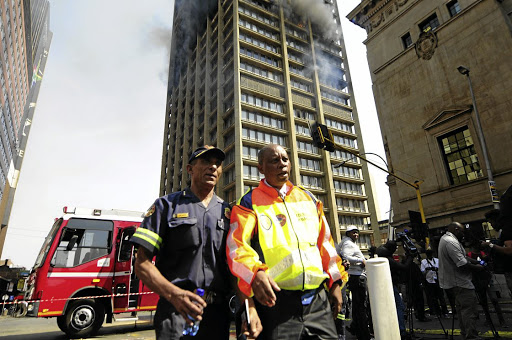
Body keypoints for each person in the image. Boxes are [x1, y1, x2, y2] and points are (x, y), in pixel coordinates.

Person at [227, 144, 346, 340]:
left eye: (285, 159)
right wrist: (255, 273)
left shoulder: (309, 199)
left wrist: (335, 284)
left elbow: (326, 244)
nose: (282, 164)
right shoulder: (248, 203)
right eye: (274, 160)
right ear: (261, 168)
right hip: (275, 303)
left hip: (318, 301)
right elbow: (236, 247)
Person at [130, 146, 232, 340]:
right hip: (175, 312)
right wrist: (174, 295)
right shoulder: (166, 206)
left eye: (217, 164)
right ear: (190, 169)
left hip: (217, 314)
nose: (212, 167)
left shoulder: (228, 212)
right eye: (205, 162)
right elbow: (141, 263)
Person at [438, 222, 485, 340]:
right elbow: (462, 264)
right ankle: (471, 336)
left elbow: (463, 257)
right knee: (469, 311)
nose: (463, 235)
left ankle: (466, 334)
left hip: (456, 282)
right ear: (456, 229)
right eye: (462, 232)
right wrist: (479, 268)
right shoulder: (450, 242)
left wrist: (476, 262)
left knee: (462, 311)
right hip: (460, 282)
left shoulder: (448, 240)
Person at [339, 226, 372, 340]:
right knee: (360, 307)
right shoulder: (348, 243)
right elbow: (346, 256)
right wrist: (361, 261)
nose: (356, 235)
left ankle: (356, 329)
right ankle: (363, 334)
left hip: (356, 276)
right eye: (354, 233)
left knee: (358, 307)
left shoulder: (349, 242)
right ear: (348, 234)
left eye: (357, 233)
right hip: (357, 277)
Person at [376, 240, 410, 339]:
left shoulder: (383, 256)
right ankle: (401, 330)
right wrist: (410, 258)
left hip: (387, 285)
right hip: (391, 285)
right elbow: (403, 268)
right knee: (399, 306)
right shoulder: (388, 259)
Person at [467, 243, 505, 327]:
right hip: (478, 280)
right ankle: (489, 320)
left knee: (494, 300)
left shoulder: (483, 253)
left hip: (487, 279)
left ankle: (501, 320)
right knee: (484, 302)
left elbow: (488, 263)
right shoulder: (470, 255)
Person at [420, 250, 449, 317]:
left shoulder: (437, 260)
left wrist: (435, 269)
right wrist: (427, 269)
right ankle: (437, 312)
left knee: (441, 297)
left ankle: (445, 311)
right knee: (433, 298)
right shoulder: (423, 262)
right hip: (429, 281)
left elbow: (441, 269)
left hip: (437, 280)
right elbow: (422, 272)